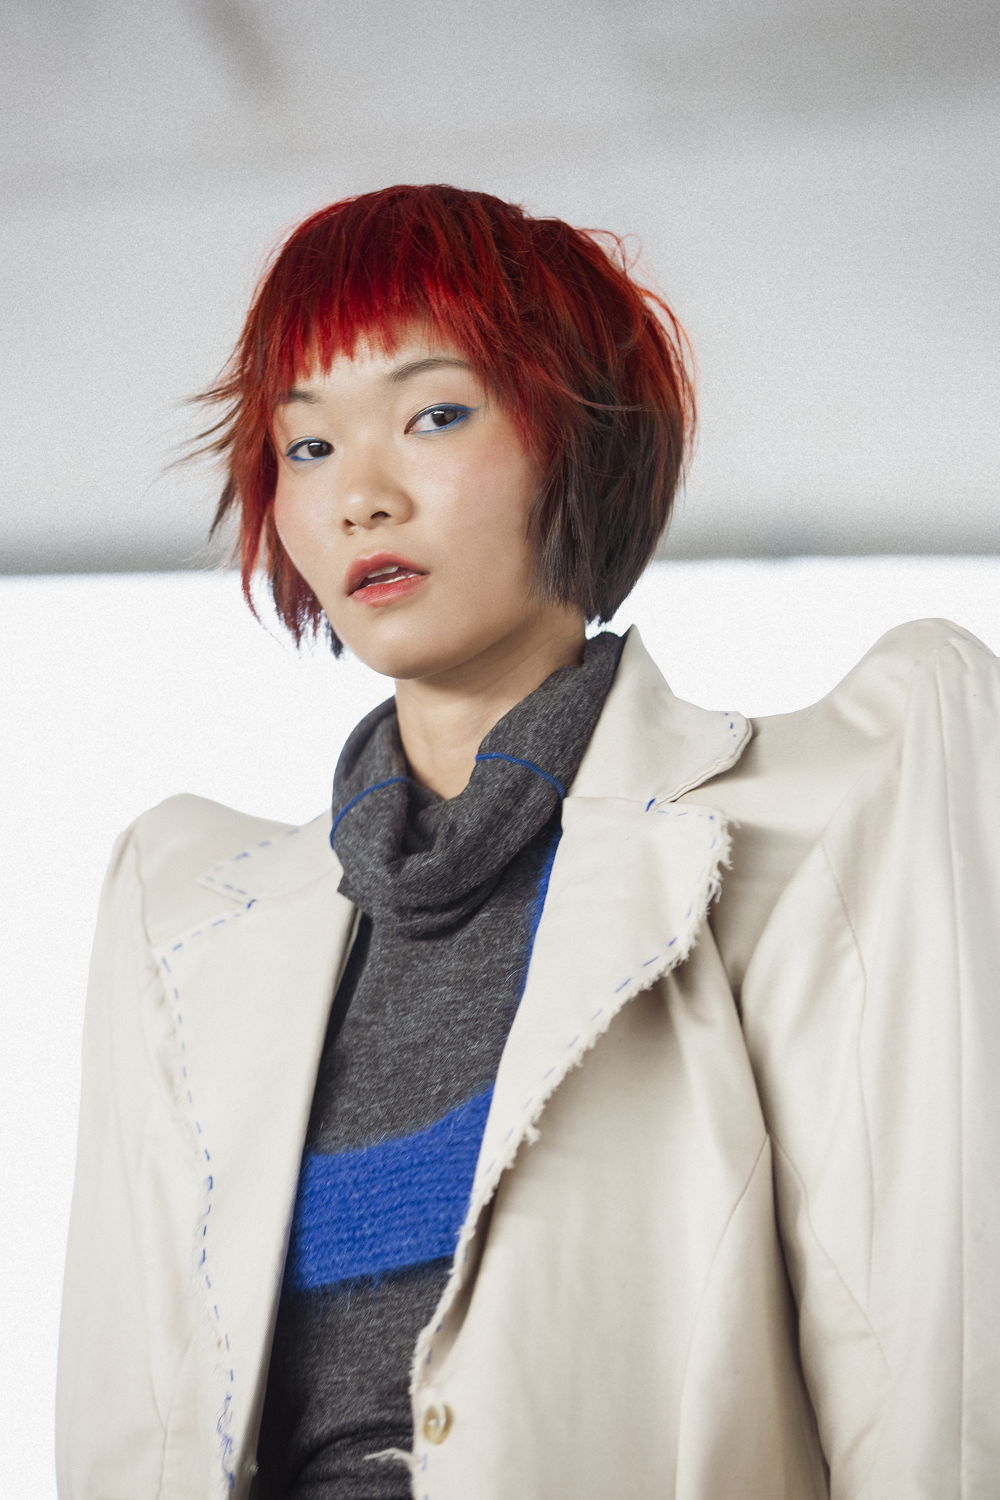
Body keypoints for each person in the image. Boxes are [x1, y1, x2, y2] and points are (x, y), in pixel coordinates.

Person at [55, 184, 1000, 1500]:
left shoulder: (820, 823)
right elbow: (130, 1436)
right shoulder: (184, 919)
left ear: (577, 437)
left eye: (434, 415)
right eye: (308, 445)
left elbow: (927, 1393)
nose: (360, 498)